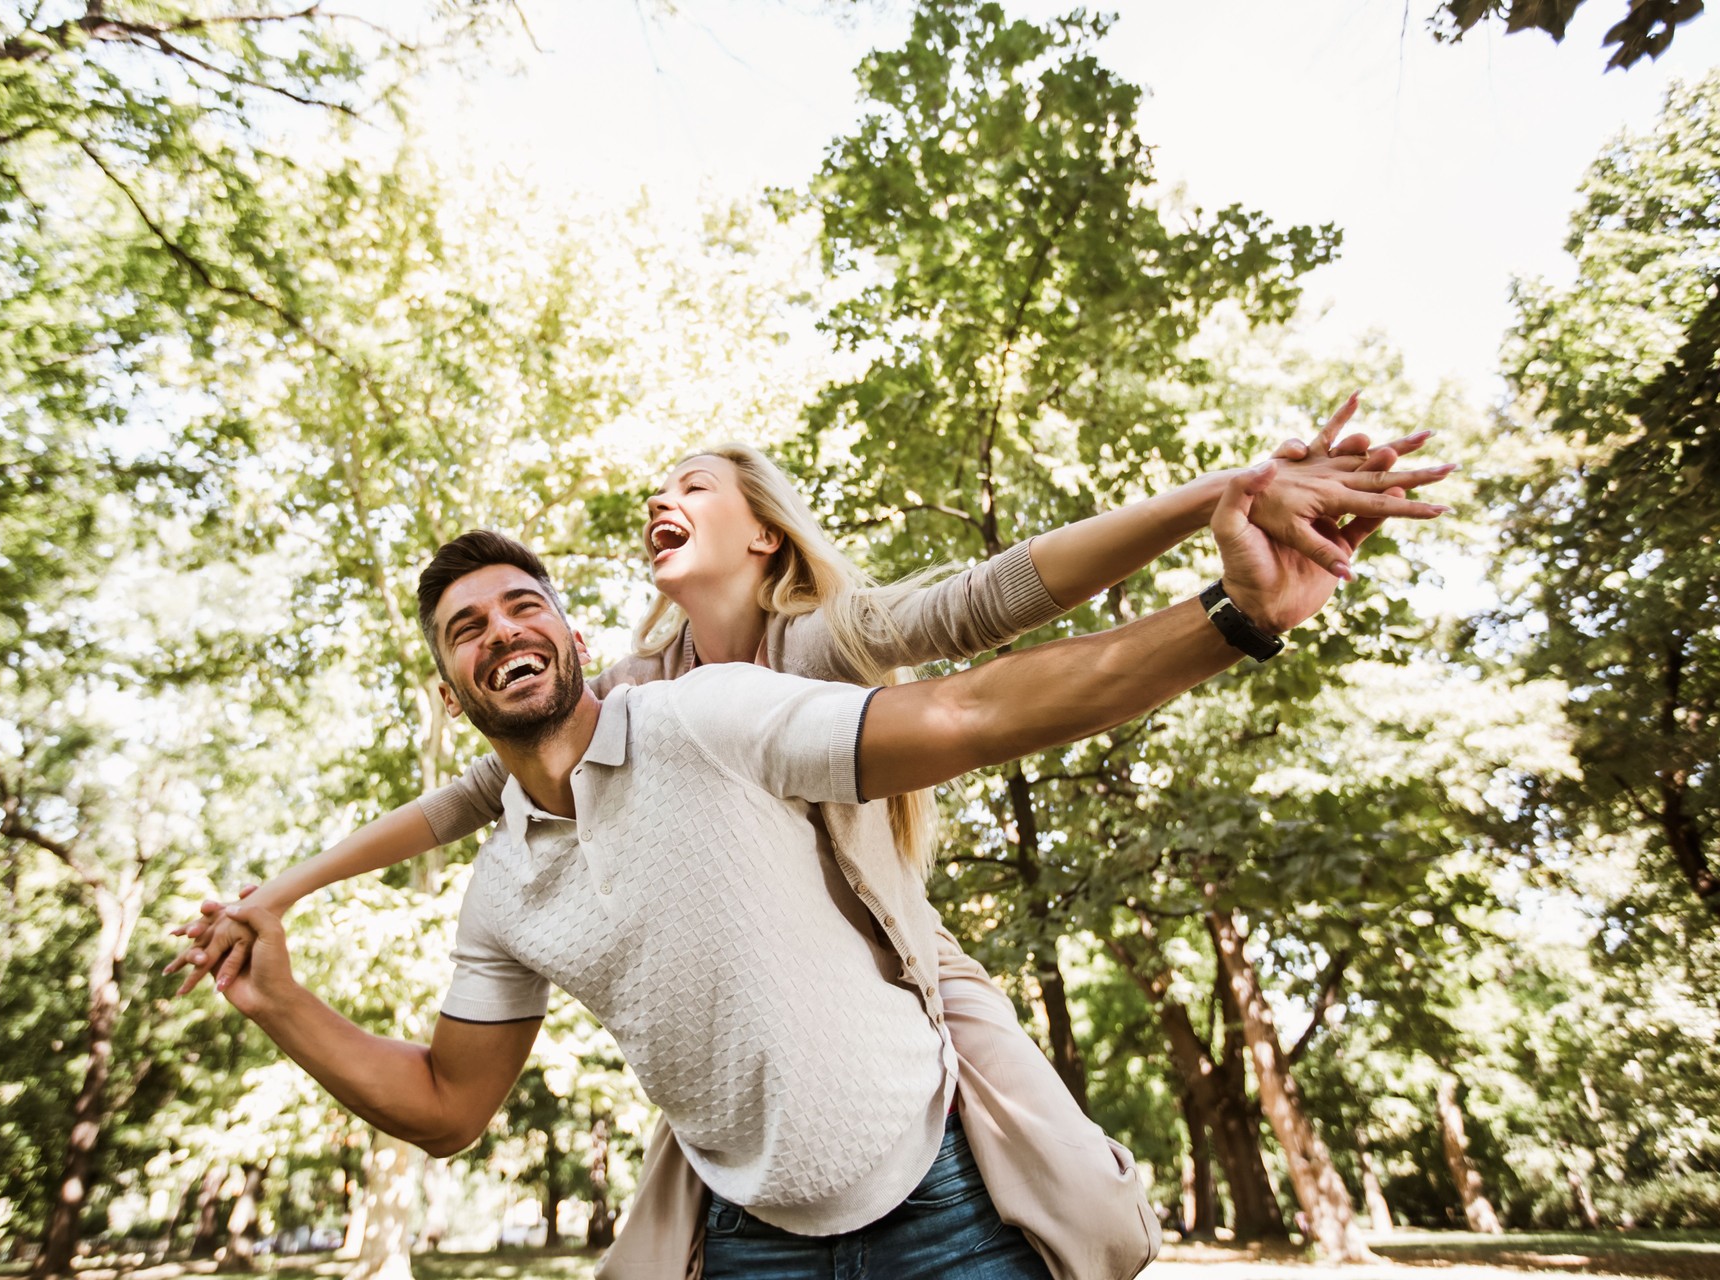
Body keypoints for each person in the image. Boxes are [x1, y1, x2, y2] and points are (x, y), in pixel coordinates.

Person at [170, 406, 1449, 1277]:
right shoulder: (630, 692)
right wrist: (276, 919)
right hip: (748, 1170)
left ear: (763, 530)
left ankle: (1070, 1197)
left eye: (693, 485)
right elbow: (459, 817)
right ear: (452, 687)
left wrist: (1229, 554)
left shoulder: (782, 665)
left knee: (1057, 1166)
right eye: (468, 628)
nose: (661, 501)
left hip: (908, 1006)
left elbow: (989, 647)